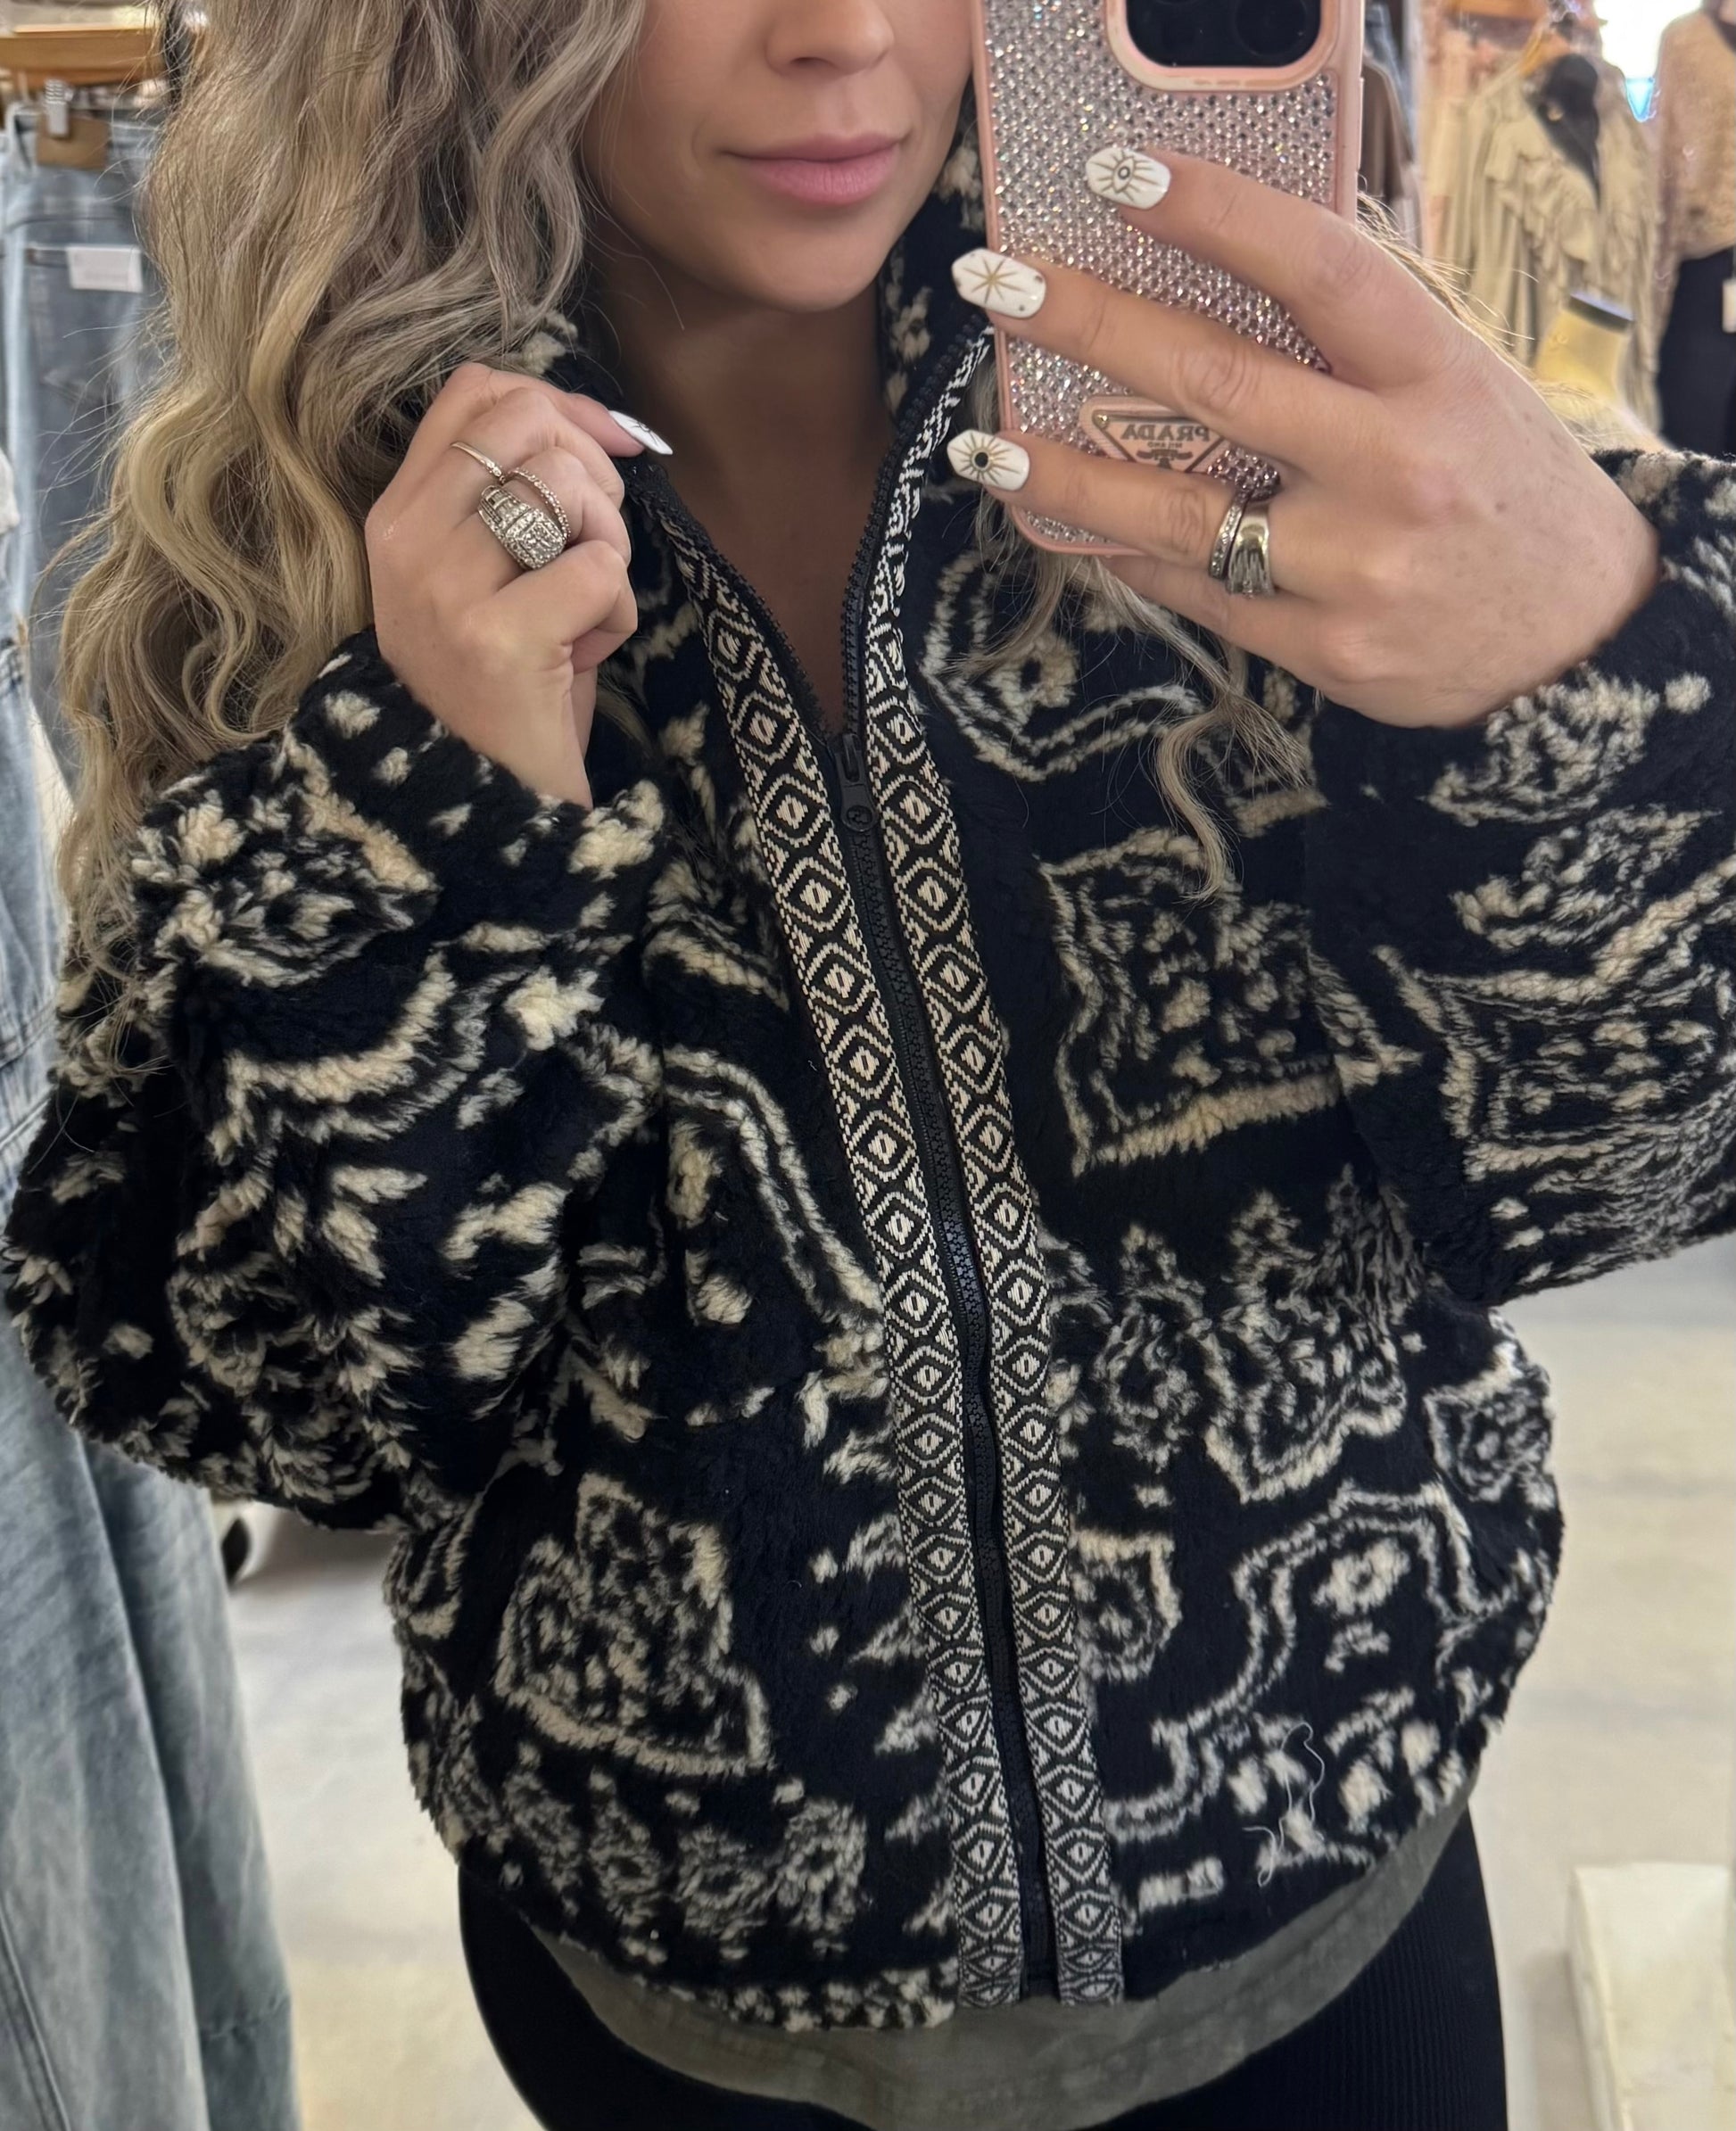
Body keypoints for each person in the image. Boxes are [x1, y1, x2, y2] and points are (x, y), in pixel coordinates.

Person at [3, 3, 1731, 2127]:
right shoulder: (316, 539)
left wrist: (1587, 680)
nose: (836, 36)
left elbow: (1619, 1179)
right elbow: (263, 1406)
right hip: (683, 2002)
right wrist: (437, 819)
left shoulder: (1304, 441)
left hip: (1323, 1929)